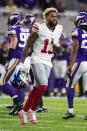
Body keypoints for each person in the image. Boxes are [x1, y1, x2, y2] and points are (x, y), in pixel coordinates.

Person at [18, 7, 63, 125]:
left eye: (56, 16)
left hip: (48, 61)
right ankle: (32, 110)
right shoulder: (39, 27)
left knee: (36, 88)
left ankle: (23, 111)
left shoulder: (59, 29)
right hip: (37, 59)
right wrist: (22, 61)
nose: (54, 18)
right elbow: (28, 44)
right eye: (51, 16)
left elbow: (58, 51)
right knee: (44, 86)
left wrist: (57, 44)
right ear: (46, 17)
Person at [2, 12, 31, 115]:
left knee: (3, 81)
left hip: (16, 58)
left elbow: (13, 45)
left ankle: (16, 103)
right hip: (25, 59)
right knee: (19, 85)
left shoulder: (13, 29)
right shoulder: (27, 29)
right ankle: (20, 108)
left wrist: (7, 60)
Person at [62, 11, 87, 119]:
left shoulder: (77, 32)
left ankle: (70, 111)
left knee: (69, 85)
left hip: (80, 62)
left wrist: (70, 65)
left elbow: (75, 51)